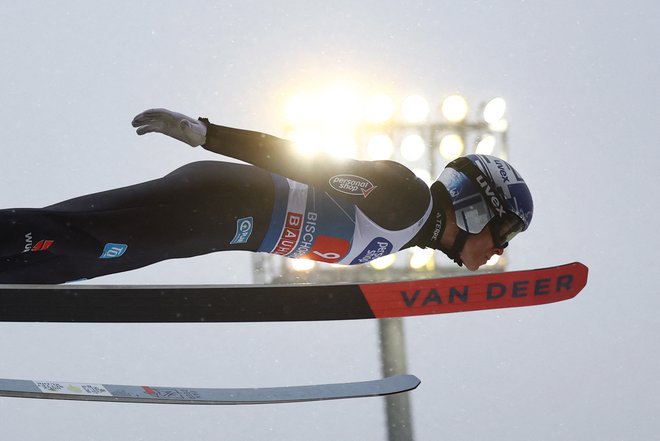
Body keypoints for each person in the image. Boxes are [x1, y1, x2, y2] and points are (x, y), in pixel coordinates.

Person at [0, 109, 533, 284]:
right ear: (477, 206)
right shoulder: (407, 203)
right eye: (504, 231)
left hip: (215, 222)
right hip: (219, 209)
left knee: (65, 251)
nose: (499, 251)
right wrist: (209, 133)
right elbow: (309, 163)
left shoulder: (407, 229)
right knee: (79, 242)